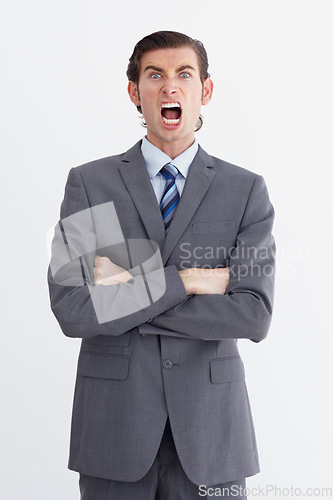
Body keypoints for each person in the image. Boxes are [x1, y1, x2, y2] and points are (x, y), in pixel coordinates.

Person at [47, 30, 275, 499]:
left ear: (204, 91)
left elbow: (252, 314)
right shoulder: (91, 184)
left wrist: (128, 290)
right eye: (155, 75)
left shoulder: (245, 191)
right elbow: (73, 308)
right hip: (114, 430)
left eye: (183, 74)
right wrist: (188, 280)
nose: (170, 86)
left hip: (213, 435)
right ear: (135, 92)